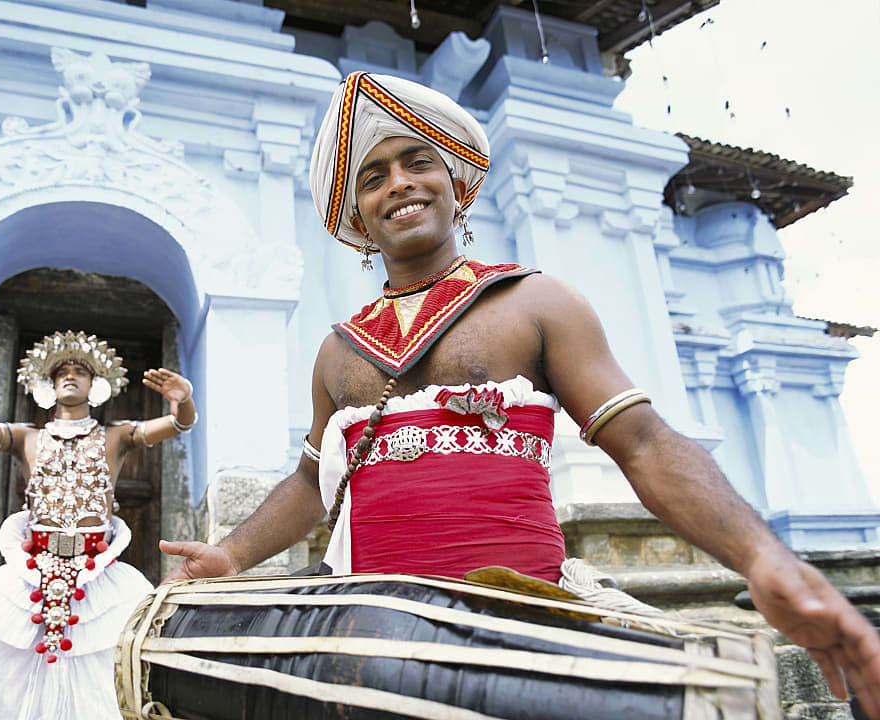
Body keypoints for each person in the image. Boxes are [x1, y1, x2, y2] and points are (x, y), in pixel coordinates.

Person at [158, 72, 880, 715]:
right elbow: (312, 480)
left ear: (457, 182)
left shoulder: (537, 303)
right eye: (373, 177)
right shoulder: (339, 349)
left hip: (526, 626)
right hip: (366, 634)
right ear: (357, 220)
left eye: (418, 162)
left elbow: (645, 442)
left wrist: (764, 558)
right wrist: (232, 555)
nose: (399, 183)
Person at [0, 330, 197, 720]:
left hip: (99, 572)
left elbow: (178, 424)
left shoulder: (115, 436)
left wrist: (183, 400)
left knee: (121, 656)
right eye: (61, 372)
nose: (70, 375)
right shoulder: (26, 437)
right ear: (48, 386)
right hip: (31, 569)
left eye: (81, 370)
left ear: (96, 384)